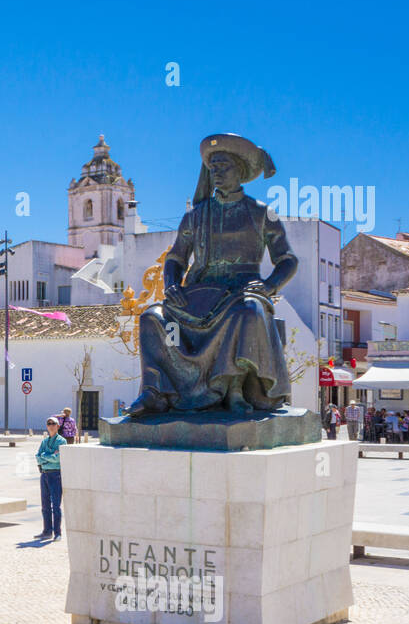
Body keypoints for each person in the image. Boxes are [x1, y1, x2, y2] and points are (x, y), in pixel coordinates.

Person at [124, 135, 294, 416]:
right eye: (212, 167)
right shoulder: (195, 216)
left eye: (223, 166)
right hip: (198, 297)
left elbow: (287, 260)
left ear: (240, 170)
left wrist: (268, 286)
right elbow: (176, 258)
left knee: (248, 312)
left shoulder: (264, 213)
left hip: (242, 292)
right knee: (152, 317)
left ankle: (234, 389)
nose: (216, 172)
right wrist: (171, 285)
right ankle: (156, 390)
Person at [35, 417, 66, 541]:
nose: (51, 426)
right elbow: (38, 456)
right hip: (45, 474)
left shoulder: (61, 441)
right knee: (45, 505)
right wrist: (49, 456)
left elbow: (58, 458)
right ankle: (47, 531)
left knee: (56, 505)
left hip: (56, 475)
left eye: (53, 423)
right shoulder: (44, 441)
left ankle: (57, 532)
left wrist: (45, 457)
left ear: (58, 426)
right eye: (49, 424)